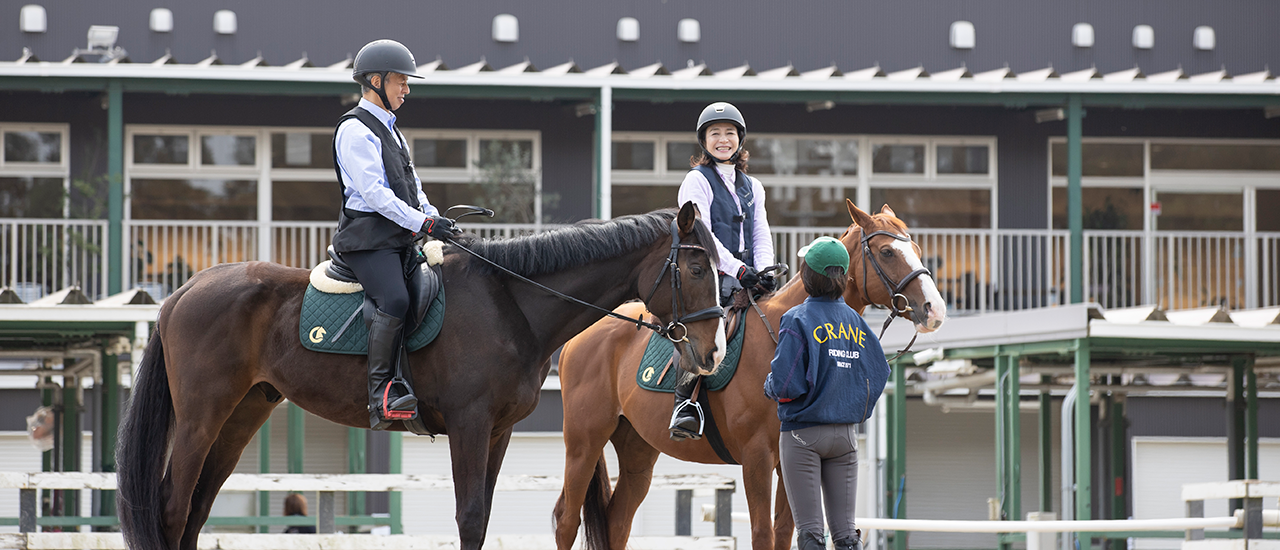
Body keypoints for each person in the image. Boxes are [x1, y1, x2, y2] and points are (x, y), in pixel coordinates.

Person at [332, 39, 461, 430]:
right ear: (375, 81)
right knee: (395, 297)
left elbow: (412, 185)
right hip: (367, 241)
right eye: (400, 82)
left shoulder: (393, 132)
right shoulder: (355, 130)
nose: (407, 89)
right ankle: (382, 393)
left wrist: (435, 218)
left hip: (398, 238)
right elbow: (374, 194)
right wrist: (420, 223)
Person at [762, 237, 891, 550]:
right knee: (846, 536)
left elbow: (784, 383)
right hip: (845, 438)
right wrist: (852, 406)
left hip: (802, 437)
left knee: (810, 535)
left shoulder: (796, 318)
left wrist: (769, 385)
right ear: (844, 277)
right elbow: (879, 372)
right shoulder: (858, 322)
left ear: (807, 275)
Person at [669, 101, 776, 441]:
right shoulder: (696, 180)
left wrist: (763, 270)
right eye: (715, 134)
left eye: (730, 133)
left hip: (746, 274)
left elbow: (761, 231)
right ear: (705, 141)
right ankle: (684, 404)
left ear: (740, 139)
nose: (723, 140)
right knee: (700, 328)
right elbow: (703, 234)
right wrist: (738, 269)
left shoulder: (752, 186)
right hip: (707, 272)